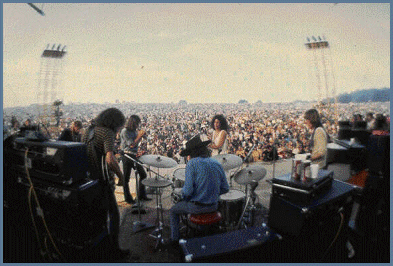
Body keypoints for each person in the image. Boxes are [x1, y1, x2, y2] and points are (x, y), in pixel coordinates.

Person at [82, 107, 128, 256]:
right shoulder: (107, 132)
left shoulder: (88, 130)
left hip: (88, 180)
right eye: (120, 125)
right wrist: (120, 176)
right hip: (102, 180)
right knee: (114, 214)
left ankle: (99, 249)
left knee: (98, 216)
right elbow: (109, 159)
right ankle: (114, 251)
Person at [169, 134, 230, 244]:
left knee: (173, 211)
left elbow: (187, 191)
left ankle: (175, 240)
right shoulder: (217, 163)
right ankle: (202, 230)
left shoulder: (192, 164)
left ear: (193, 153)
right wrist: (212, 193)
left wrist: (183, 195)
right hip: (214, 206)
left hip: (197, 207)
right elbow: (225, 188)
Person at [119, 115, 151, 204]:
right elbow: (132, 145)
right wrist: (139, 135)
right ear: (133, 123)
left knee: (143, 175)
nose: (138, 125)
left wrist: (142, 136)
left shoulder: (134, 131)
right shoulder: (125, 131)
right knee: (126, 178)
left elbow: (137, 142)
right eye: (137, 123)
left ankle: (141, 195)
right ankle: (128, 198)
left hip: (134, 155)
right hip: (127, 155)